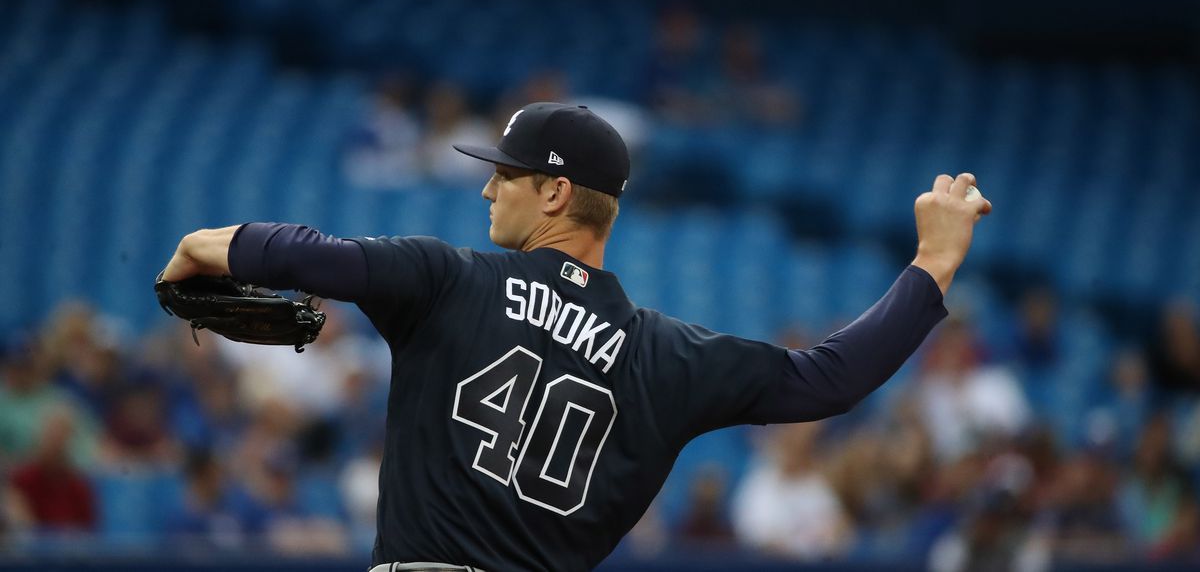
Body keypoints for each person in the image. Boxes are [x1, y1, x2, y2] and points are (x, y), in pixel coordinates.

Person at [160, 102, 991, 571]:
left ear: (556, 193)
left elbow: (312, 256)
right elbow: (829, 379)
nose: (489, 188)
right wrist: (932, 264)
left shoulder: (446, 278)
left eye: (506, 174)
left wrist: (207, 246)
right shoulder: (667, 356)